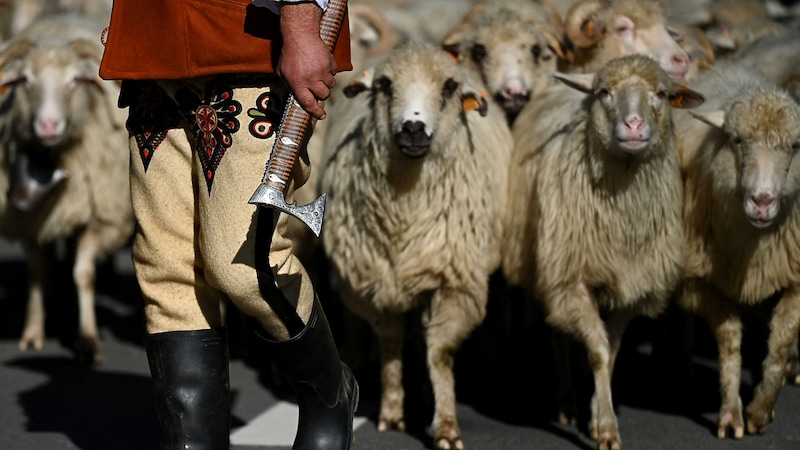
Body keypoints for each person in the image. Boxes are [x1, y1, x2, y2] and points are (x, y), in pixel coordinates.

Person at [98, 1, 358, 449]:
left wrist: (298, 23)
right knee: (167, 267)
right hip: (153, 39)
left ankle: (330, 394)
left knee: (243, 266)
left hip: (246, 40)